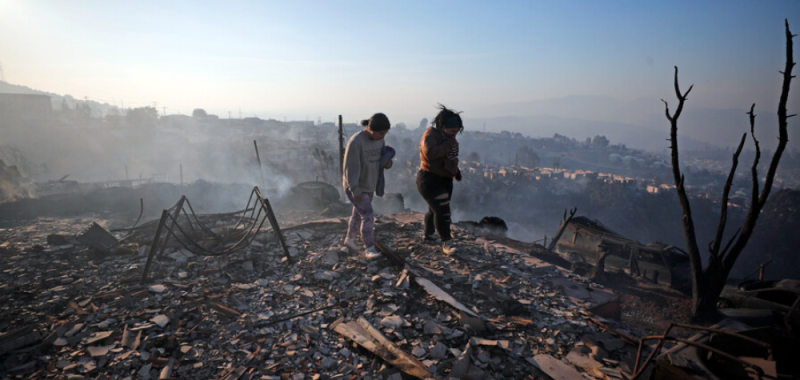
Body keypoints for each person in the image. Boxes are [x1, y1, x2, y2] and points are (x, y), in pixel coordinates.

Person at [342, 113, 392, 259]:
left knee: (357, 214)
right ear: (371, 129)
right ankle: (369, 248)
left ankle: (350, 240)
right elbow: (349, 169)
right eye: (381, 133)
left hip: (369, 185)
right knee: (368, 216)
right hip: (356, 186)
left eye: (385, 133)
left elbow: (381, 162)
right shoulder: (356, 141)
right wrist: (355, 190)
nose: (383, 136)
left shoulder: (379, 141)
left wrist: (388, 163)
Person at [417, 104, 463, 255]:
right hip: (429, 179)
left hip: (445, 178)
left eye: (457, 132)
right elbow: (430, 153)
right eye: (452, 131)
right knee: (443, 211)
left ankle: (428, 236)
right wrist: (449, 143)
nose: (454, 134)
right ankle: (447, 243)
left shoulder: (447, 137)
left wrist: (455, 171)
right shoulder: (430, 135)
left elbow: (450, 159)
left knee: (434, 209)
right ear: (442, 127)